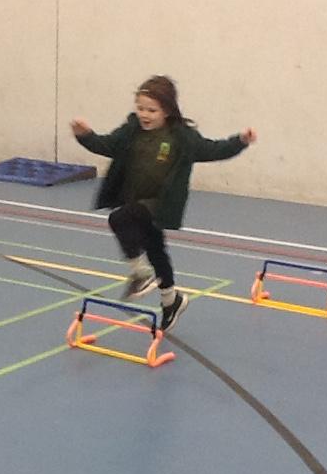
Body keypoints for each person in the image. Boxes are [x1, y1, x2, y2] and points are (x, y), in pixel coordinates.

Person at [71, 75, 256, 333]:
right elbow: (107, 145)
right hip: (136, 197)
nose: (144, 115)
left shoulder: (181, 137)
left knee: (119, 218)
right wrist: (85, 136)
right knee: (155, 248)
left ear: (167, 110)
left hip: (161, 203)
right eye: (141, 108)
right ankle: (171, 300)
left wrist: (240, 141)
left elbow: (213, 149)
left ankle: (140, 273)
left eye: (152, 110)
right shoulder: (132, 130)